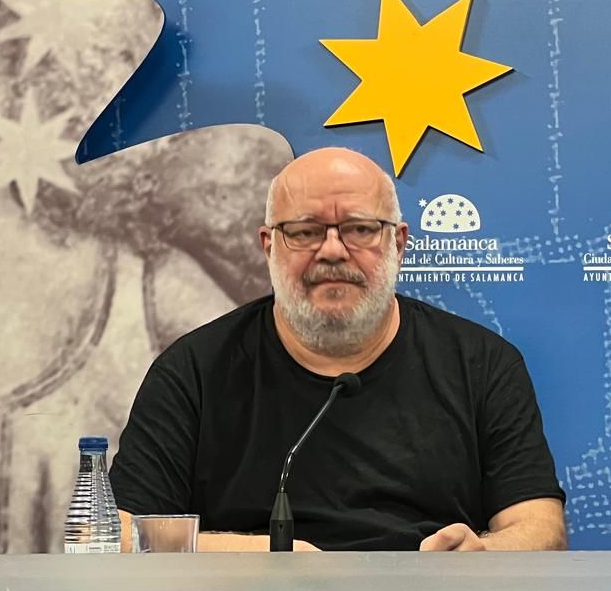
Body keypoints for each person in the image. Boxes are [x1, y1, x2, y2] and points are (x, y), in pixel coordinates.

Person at [109, 147, 567, 552]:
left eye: (360, 229)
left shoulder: (482, 364)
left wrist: (486, 554)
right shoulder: (193, 371)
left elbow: (540, 528)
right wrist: (267, 559)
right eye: (305, 232)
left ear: (398, 243)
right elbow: (121, 534)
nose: (332, 251)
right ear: (269, 246)